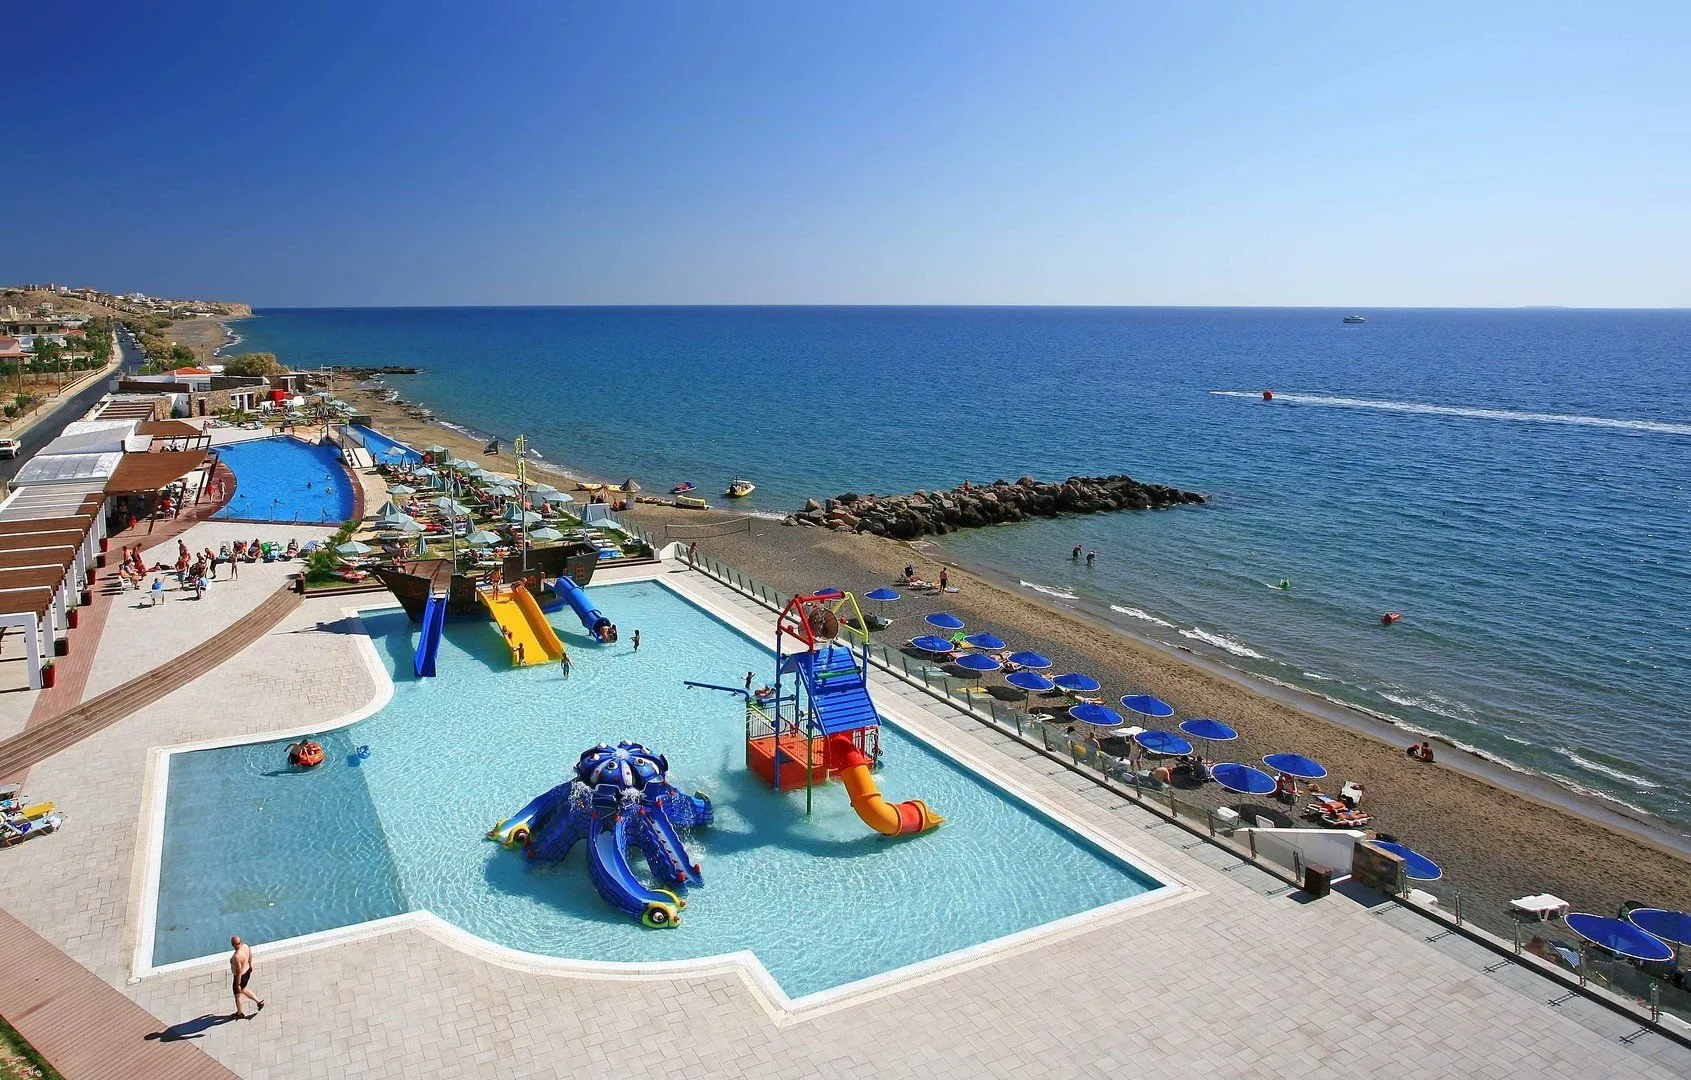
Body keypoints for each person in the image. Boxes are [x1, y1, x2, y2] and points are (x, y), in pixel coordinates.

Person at [229, 935, 264, 1018]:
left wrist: (237, 984)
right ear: (240, 942)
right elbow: (250, 956)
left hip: (240, 977)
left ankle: (239, 1013)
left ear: (232, 945)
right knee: (243, 989)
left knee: (237, 995)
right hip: (247, 971)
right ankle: (258, 1002)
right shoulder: (245, 946)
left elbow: (238, 971)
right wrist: (250, 965)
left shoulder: (237, 957)